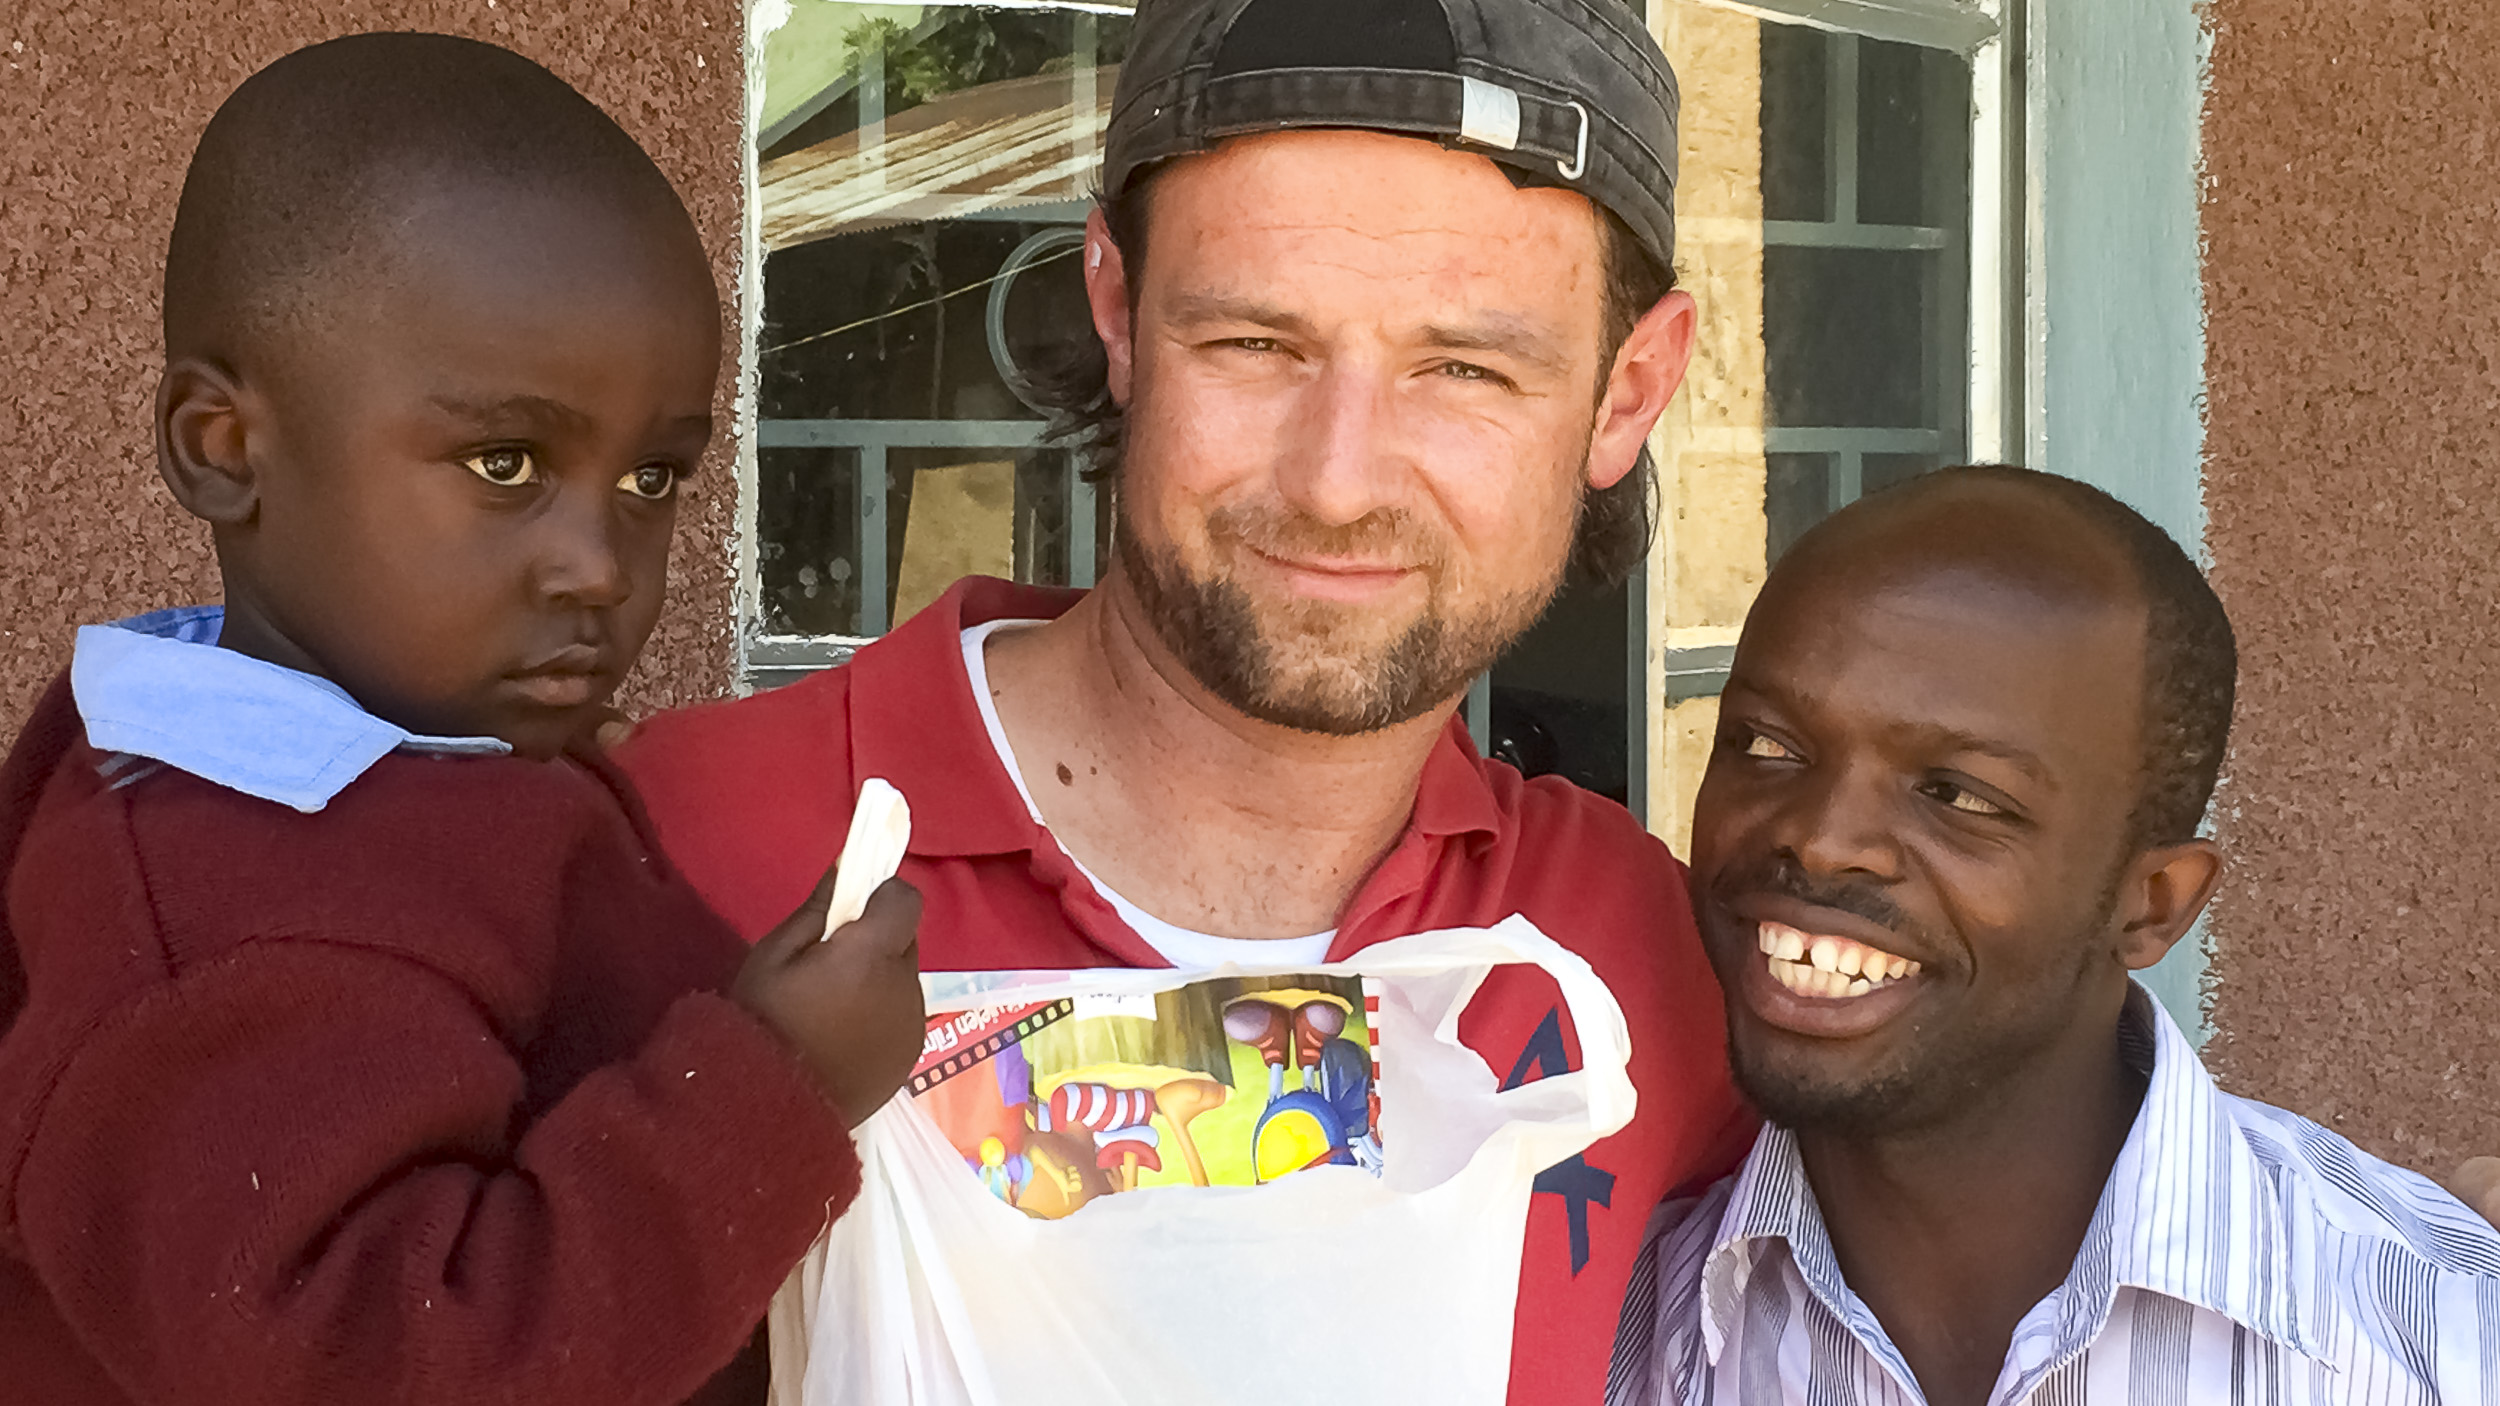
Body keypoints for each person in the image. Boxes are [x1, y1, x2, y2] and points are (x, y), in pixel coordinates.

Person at [617, 0, 1752, 1396]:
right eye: (1256, 345)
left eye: (1464, 370)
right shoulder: (678, 848)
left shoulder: (1640, 963)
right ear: (1118, 311)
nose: (1338, 480)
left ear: (1628, 391)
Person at [0, 35, 925, 1406]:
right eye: (507, 463)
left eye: (653, 476)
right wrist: (774, 1083)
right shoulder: (221, 911)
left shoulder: (399, 774)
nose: (601, 564)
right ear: (222, 446)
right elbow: (387, 1362)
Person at [1607, 466, 2500, 1406]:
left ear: (2152, 903)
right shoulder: (1602, 1333)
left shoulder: (2445, 1343)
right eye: (1766, 746)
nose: (1822, 841)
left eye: (1956, 795)